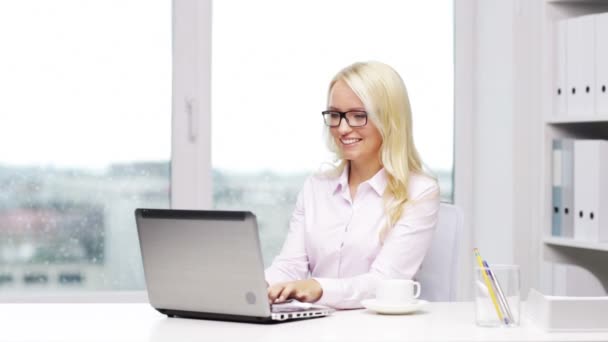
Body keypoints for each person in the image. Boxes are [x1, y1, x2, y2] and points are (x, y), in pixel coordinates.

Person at [264, 61, 440, 309]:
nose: (342, 128)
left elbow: (385, 281)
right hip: (314, 326)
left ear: (389, 120)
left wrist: (318, 287)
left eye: (358, 116)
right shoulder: (316, 187)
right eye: (335, 115)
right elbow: (290, 265)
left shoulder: (419, 192)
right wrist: (251, 287)